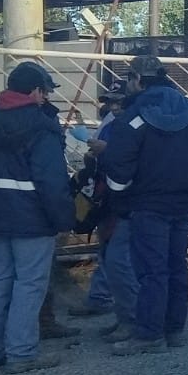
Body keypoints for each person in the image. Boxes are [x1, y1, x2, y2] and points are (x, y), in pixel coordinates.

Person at [101, 55, 188, 356]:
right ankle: (174, 329)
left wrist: (120, 195)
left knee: (151, 271)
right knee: (175, 267)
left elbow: (117, 162)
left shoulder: (134, 116)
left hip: (147, 204)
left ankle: (149, 334)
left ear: (138, 80)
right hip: (184, 202)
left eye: (130, 78)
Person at [0, 62, 75, 373]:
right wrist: (63, 220)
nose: (46, 99)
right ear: (36, 91)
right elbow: (52, 182)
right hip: (31, 218)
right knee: (29, 284)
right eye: (45, 92)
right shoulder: (41, 126)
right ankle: (21, 353)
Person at [70, 80, 130, 318]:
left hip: (122, 194)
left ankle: (111, 302)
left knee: (116, 251)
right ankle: (102, 297)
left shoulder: (131, 125)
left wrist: (104, 151)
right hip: (106, 192)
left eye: (118, 101)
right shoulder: (111, 121)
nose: (114, 106)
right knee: (108, 247)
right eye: (110, 101)